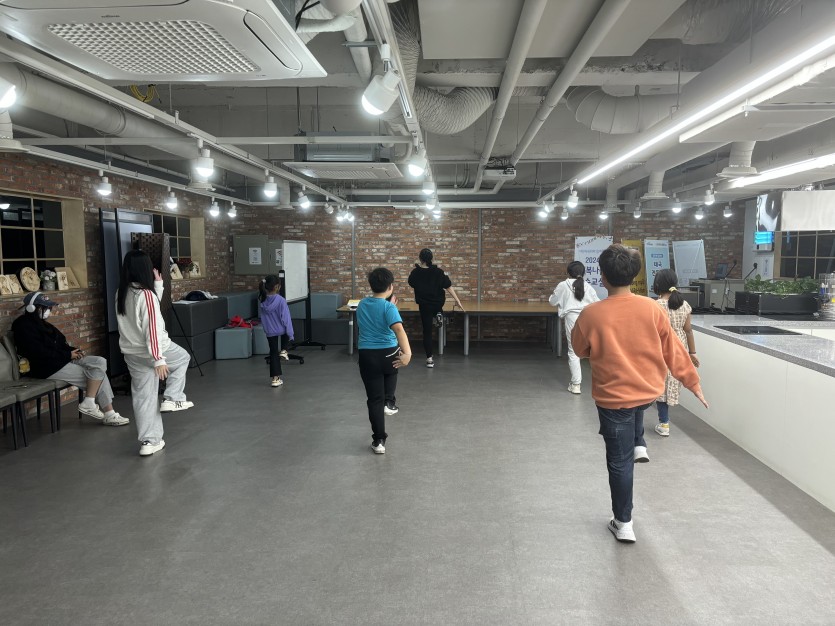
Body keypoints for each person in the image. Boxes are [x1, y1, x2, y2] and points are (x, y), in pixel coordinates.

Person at [571, 244, 708, 544]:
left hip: (613, 398)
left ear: (602, 276)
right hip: (646, 392)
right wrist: (694, 384)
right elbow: (674, 350)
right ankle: (639, 443)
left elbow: (579, 350)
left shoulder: (591, 314)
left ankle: (623, 522)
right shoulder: (652, 309)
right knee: (635, 413)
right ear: (634, 277)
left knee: (619, 461)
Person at [12, 292, 129, 426]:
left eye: (49, 307)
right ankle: (109, 414)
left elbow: (60, 342)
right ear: (32, 308)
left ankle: (89, 401)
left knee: (100, 362)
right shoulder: (22, 326)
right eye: (45, 307)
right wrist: (68, 355)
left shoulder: (43, 324)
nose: (48, 310)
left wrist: (73, 351)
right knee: (96, 375)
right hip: (45, 367)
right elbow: (38, 352)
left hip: (60, 359)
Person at [116, 250, 192, 456]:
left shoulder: (121, 293)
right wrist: (158, 359)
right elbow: (152, 327)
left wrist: (158, 286)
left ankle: (149, 441)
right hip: (154, 350)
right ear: (144, 269)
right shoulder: (146, 294)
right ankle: (173, 397)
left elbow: (150, 311)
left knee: (144, 398)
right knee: (183, 357)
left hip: (132, 355)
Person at [356, 267, 412, 454]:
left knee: (374, 400)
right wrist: (408, 353)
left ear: (371, 285)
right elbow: (398, 329)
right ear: (390, 287)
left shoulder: (362, 304)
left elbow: (374, 313)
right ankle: (389, 402)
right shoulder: (389, 308)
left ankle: (379, 441)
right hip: (388, 354)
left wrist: (390, 306)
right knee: (392, 369)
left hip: (367, 356)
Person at [652, 269, 700, 437]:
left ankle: (664, 422)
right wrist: (692, 352)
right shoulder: (684, 304)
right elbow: (688, 330)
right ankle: (664, 422)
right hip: (679, 347)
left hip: (661, 346)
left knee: (659, 383)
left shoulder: (656, 305)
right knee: (670, 383)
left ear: (658, 285)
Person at [407, 248, 465, 368]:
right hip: (437, 303)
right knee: (438, 307)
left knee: (427, 332)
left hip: (424, 305)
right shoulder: (438, 272)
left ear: (420, 259)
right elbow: (448, 286)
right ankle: (439, 314)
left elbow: (411, 283)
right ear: (431, 259)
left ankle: (429, 359)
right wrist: (457, 300)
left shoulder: (415, 273)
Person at [548, 261, 599, 394]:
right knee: (594, 350)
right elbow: (597, 304)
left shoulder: (563, 285)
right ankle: (602, 381)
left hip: (572, 318)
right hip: (589, 318)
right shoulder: (588, 286)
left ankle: (576, 385)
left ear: (568, 272)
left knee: (573, 351)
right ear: (583, 273)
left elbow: (552, 301)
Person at [258, 274, 294, 387]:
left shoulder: (262, 300)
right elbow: (286, 319)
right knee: (287, 332)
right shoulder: (281, 300)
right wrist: (291, 334)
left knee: (273, 353)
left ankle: (275, 379)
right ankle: (284, 350)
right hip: (282, 330)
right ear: (277, 287)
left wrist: (267, 330)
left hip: (270, 331)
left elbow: (263, 318)